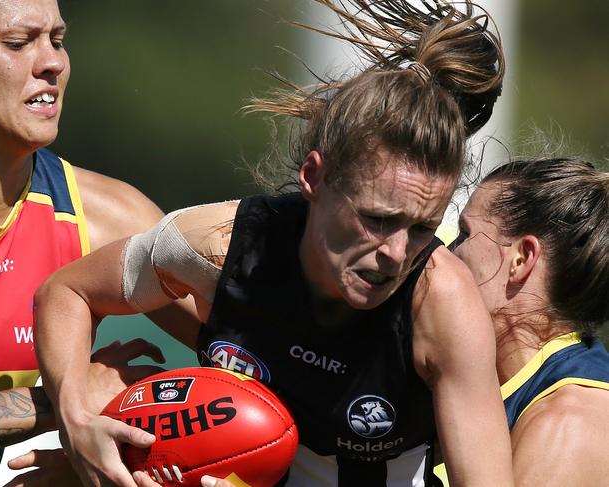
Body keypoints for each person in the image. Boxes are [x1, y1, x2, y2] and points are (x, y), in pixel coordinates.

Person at [33, 1, 512, 486]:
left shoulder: (442, 304)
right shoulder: (220, 245)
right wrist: (77, 422)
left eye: (423, 230)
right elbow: (66, 292)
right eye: (377, 219)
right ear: (314, 178)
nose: (395, 253)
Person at [0, 0, 198, 485]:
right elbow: (76, 402)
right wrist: (66, 404)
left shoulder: (107, 213)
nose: (52, 62)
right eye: (17, 43)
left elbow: (258, 349)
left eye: (57, 40)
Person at [433, 156, 609, 486]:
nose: (445, 252)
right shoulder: (488, 378)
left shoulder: (567, 425)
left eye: (464, 234)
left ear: (522, 259)